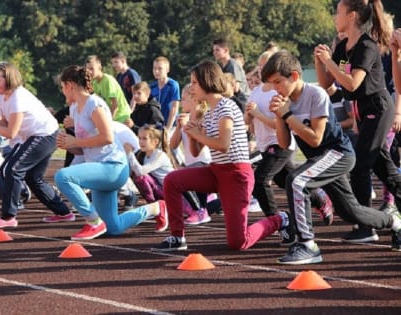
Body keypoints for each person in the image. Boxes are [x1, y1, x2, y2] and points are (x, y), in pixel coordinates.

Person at [262, 50, 401, 265]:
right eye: (271, 84)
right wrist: (281, 116)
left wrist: (288, 115)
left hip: (339, 154)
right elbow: (282, 142)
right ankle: (396, 223)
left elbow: (316, 139)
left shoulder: (316, 95)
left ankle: (308, 245)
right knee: (350, 212)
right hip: (320, 160)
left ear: (295, 76)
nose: (275, 88)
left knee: (297, 180)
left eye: (278, 82)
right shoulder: (285, 101)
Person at [151, 60, 295, 252]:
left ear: (206, 81)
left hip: (236, 175)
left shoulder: (226, 106)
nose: (192, 87)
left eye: (194, 82)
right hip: (216, 171)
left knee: (238, 242)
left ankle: (280, 219)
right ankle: (177, 237)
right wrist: (193, 133)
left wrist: (197, 134)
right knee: (172, 180)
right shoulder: (208, 112)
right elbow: (195, 151)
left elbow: (224, 145)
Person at [314, 0, 401, 243]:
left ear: (352, 16)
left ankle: (366, 226)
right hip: (363, 112)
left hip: (378, 109)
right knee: (386, 171)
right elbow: (327, 83)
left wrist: (329, 60)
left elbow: (353, 83)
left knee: (361, 168)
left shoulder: (366, 46)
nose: (335, 16)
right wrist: (321, 61)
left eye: (339, 12)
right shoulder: (344, 47)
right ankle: (376, 224)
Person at [54, 65, 168, 240]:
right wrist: (68, 144)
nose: (62, 92)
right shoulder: (75, 110)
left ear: (69, 85)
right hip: (101, 170)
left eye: (62, 88)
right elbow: (83, 149)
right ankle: (156, 208)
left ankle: (93, 222)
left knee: (63, 177)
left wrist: (75, 141)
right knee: (113, 228)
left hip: (113, 167)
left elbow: (107, 137)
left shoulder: (94, 103)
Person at [244, 50, 334, 233]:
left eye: (267, 64)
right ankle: (319, 198)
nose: (263, 68)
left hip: (279, 144)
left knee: (260, 181)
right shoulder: (256, 91)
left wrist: (258, 114)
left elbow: (279, 124)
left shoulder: (282, 91)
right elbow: (248, 121)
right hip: (264, 144)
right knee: (286, 181)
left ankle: (279, 222)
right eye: (261, 65)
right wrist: (249, 115)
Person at [0, 61, 72, 229]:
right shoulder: (3, 96)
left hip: (45, 135)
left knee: (12, 169)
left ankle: (8, 217)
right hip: (38, 135)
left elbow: (10, 132)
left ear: (9, 79)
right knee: (33, 177)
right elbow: (2, 122)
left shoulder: (17, 98)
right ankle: (64, 212)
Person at [169, 84, 213, 224]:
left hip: (204, 161)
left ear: (194, 99)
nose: (181, 102)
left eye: (184, 99)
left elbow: (203, 143)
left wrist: (191, 128)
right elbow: (173, 145)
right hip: (191, 162)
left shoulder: (204, 117)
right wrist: (178, 128)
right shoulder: (184, 118)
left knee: (179, 179)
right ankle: (202, 209)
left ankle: (200, 211)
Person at [85, 55, 131, 123]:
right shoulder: (94, 83)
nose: (89, 72)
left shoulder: (108, 80)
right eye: (87, 69)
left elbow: (115, 105)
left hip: (122, 117)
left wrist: (108, 122)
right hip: (112, 118)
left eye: (92, 69)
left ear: (100, 67)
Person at [213, 38, 250, 103]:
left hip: (242, 101)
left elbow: (236, 88)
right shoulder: (222, 67)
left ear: (226, 50)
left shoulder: (233, 65)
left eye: (217, 50)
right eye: (214, 50)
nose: (214, 53)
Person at [149, 56, 181, 131]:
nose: (156, 71)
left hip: (171, 126)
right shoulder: (152, 86)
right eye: (154, 68)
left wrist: (167, 129)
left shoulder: (173, 85)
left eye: (160, 68)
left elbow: (174, 108)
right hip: (156, 126)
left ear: (167, 70)